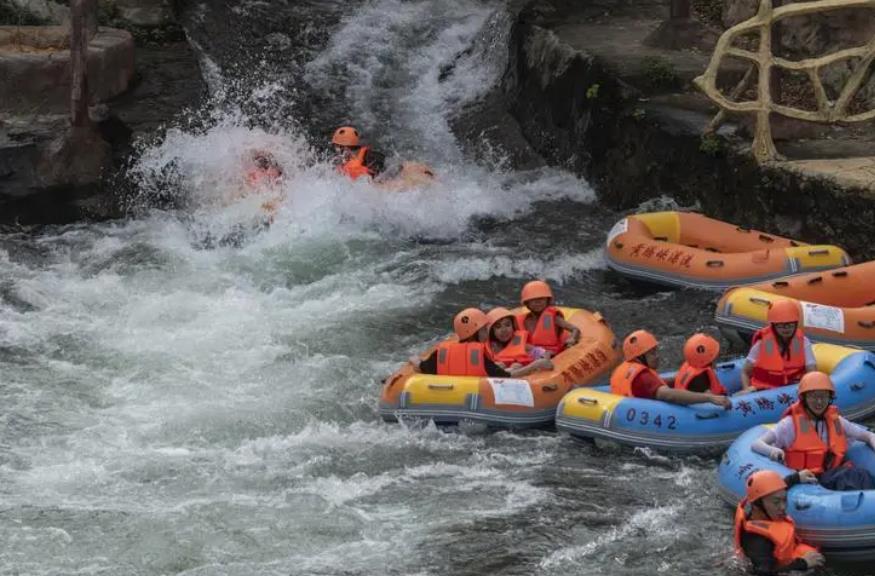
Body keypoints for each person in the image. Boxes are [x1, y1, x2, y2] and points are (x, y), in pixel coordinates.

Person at [751, 371, 875, 491]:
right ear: (804, 398)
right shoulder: (789, 425)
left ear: (830, 398)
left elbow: (868, 435)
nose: (819, 401)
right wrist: (772, 450)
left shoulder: (837, 421)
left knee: (860, 474)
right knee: (850, 476)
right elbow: (757, 444)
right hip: (802, 479)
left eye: (824, 396)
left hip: (831, 475)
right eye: (814, 396)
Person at [409, 308, 552, 378]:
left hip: (446, 398)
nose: (486, 332)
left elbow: (422, 367)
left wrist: (414, 359)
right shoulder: (477, 356)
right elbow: (507, 377)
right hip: (476, 396)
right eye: (484, 329)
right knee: (512, 368)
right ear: (475, 332)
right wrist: (536, 365)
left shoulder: (441, 352)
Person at [610, 330, 731, 408]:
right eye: (652, 353)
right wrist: (709, 397)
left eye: (655, 352)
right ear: (640, 356)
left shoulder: (627, 368)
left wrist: (677, 379)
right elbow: (668, 395)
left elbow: (654, 385)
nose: (657, 357)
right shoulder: (643, 377)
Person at [734, 469, 824, 575]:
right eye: (776, 502)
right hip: (771, 568)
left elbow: (774, 491)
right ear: (757, 506)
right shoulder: (758, 542)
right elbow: (763, 573)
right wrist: (802, 563)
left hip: (786, 555)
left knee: (817, 558)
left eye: (784, 500)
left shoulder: (760, 504)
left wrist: (796, 478)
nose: (783, 507)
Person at [740, 300, 815, 394]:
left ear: (796, 325)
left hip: (793, 389)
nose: (786, 329)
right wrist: (746, 390)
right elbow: (745, 372)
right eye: (781, 325)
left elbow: (812, 371)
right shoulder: (761, 344)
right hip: (763, 390)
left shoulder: (803, 342)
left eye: (790, 325)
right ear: (773, 326)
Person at [516, 280, 581, 355]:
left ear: (548, 300)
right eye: (533, 300)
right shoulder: (521, 320)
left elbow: (575, 329)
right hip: (530, 353)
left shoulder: (554, 318)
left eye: (541, 299)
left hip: (551, 354)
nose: (538, 302)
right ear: (526, 303)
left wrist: (572, 338)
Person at [485, 307, 550, 368]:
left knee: (516, 365)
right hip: (499, 375)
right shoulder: (487, 348)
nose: (504, 330)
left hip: (521, 373)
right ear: (492, 331)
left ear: (513, 327)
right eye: (498, 327)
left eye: (507, 325)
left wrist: (543, 360)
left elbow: (544, 353)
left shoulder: (523, 345)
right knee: (499, 365)